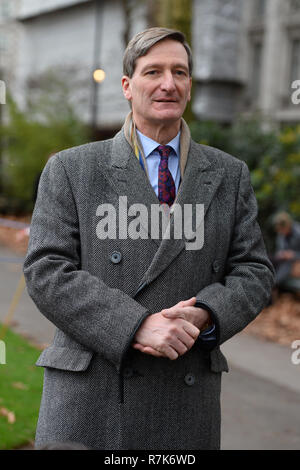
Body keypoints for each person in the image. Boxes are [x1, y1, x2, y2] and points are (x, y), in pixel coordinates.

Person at [23, 27, 274, 450]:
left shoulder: (229, 175)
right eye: (153, 71)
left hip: (184, 397)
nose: (168, 83)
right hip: (92, 401)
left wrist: (207, 315)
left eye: (180, 72)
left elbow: (254, 271)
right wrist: (135, 324)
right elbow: (46, 271)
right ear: (127, 86)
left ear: (190, 85)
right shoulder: (72, 169)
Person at [272, 211, 300, 293]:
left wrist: (293, 255)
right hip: (285, 262)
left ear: (288, 225)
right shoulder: (281, 234)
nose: (281, 232)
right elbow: (279, 251)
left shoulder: (298, 233)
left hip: (294, 262)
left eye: (282, 229)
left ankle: (275, 284)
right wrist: (281, 254)